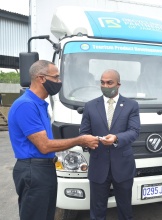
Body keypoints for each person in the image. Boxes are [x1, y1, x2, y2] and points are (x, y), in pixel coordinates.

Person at [8, 60, 99, 220]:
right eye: (56, 78)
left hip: (44, 169)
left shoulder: (39, 104)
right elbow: (44, 146)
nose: (59, 82)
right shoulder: (26, 105)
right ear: (41, 78)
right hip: (33, 170)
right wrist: (80, 140)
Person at [79, 69, 141, 220]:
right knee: (97, 210)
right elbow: (83, 133)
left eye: (109, 82)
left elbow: (134, 131)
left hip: (123, 166)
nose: (105, 85)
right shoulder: (90, 106)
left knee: (125, 209)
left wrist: (116, 138)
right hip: (98, 165)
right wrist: (88, 141)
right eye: (102, 82)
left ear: (118, 84)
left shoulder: (131, 105)